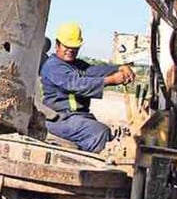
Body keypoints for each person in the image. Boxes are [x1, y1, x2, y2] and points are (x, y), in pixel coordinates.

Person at [40, 22, 135, 153]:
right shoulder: (53, 66)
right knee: (99, 133)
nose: (71, 50)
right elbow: (77, 84)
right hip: (60, 118)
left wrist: (118, 68)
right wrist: (111, 80)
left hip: (77, 117)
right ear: (57, 45)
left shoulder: (75, 65)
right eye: (67, 46)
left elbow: (93, 71)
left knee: (104, 132)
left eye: (74, 47)